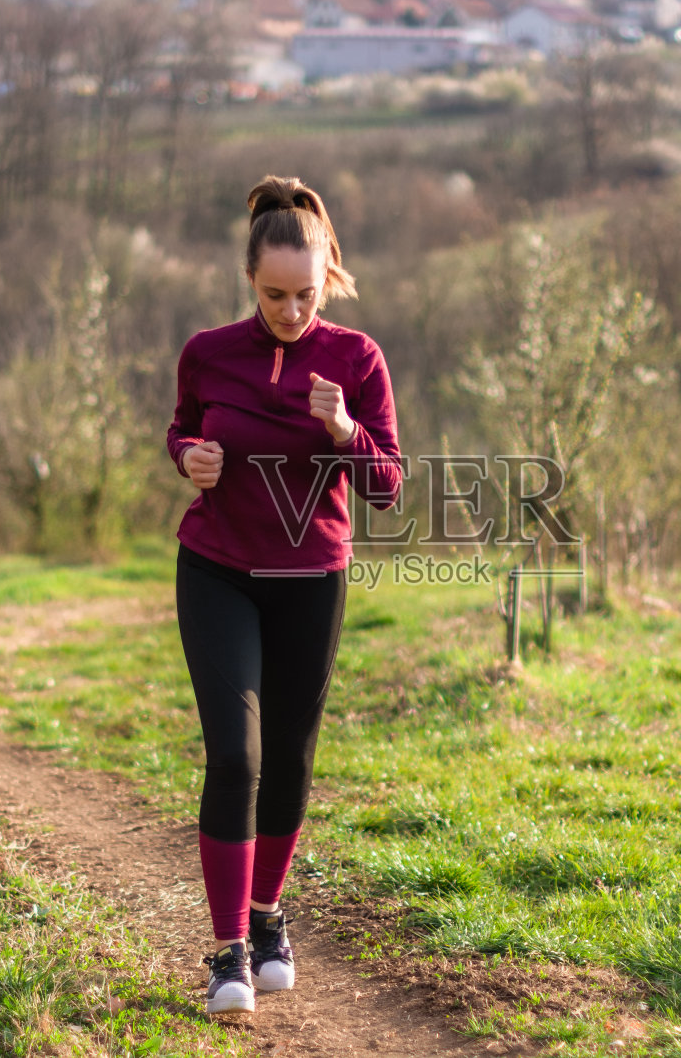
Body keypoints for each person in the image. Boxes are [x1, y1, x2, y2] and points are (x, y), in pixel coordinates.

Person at [166, 175, 404, 1015]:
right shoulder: (208, 352)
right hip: (218, 569)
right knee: (237, 756)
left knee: (291, 759)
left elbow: (387, 485)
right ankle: (228, 948)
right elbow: (182, 427)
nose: (292, 311)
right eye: (274, 295)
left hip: (312, 578)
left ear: (327, 275)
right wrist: (189, 455)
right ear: (249, 279)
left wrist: (344, 429)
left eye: (307, 294)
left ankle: (268, 916)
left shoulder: (357, 359)